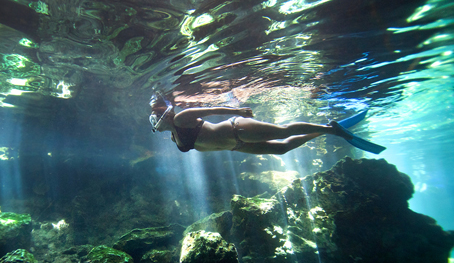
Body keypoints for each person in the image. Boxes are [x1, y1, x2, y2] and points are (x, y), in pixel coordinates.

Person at [149, 99, 385, 155]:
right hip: (237, 145)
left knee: (284, 132)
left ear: (164, 117)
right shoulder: (174, 136)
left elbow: (210, 111)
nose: (154, 126)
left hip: (236, 129)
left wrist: (238, 111)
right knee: (282, 149)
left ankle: (330, 128)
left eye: (155, 120)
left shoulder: (181, 119)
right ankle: (326, 129)